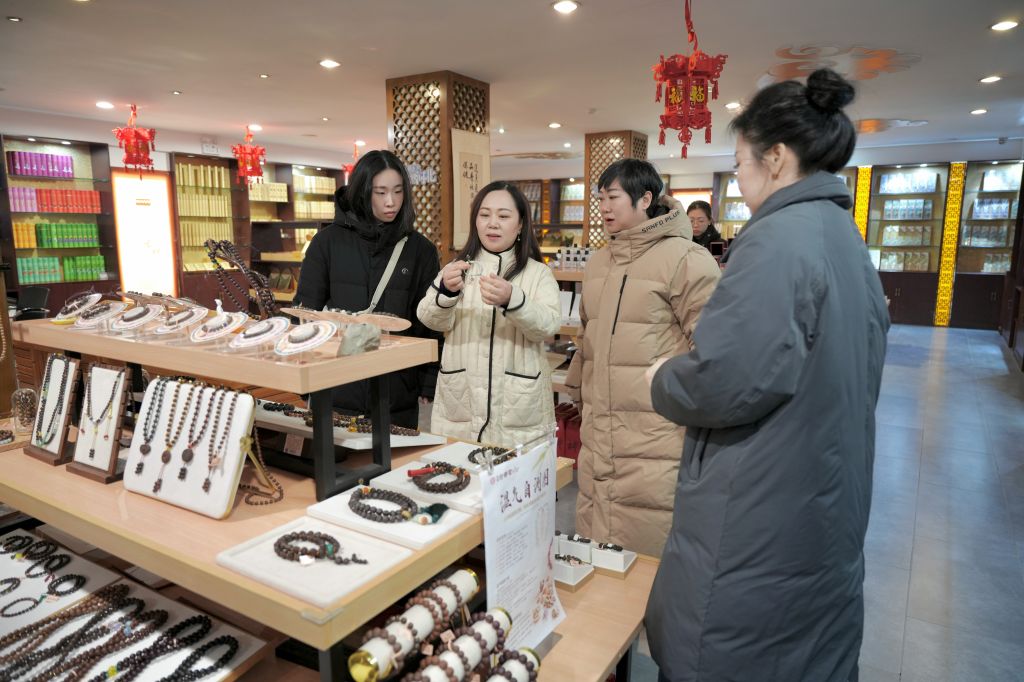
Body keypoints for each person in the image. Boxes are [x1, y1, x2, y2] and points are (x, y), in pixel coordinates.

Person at [643, 69, 890, 682]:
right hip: (816, 493)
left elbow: (727, 381)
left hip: (758, 506)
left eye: (740, 164)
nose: (741, 180)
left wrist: (662, 377)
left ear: (775, 159)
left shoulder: (776, 239)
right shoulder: (843, 236)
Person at [564, 158, 721, 558]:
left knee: (647, 549)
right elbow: (586, 340)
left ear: (646, 199)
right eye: (600, 198)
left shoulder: (686, 259)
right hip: (600, 430)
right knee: (597, 548)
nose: (605, 208)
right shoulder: (599, 262)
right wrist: (580, 395)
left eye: (613, 197)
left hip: (656, 434)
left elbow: (715, 350)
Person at [293, 150, 441, 428]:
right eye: (380, 192)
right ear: (362, 192)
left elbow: (429, 323)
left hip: (396, 389)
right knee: (336, 453)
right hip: (337, 383)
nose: (391, 201)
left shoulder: (421, 250)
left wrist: (428, 381)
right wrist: (303, 376)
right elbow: (305, 313)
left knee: (393, 454)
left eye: (398, 191)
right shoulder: (327, 243)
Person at [416, 181, 561, 448]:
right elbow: (429, 319)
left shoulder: (538, 274)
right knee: (458, 469)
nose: (492, 223)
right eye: (484, 215)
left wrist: (513, 299)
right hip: (461, 400)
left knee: (515, 472)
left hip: (518, 408)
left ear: (520, 224)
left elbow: (548, 325)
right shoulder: (458, 268)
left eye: (503, 216)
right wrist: (445, 292)